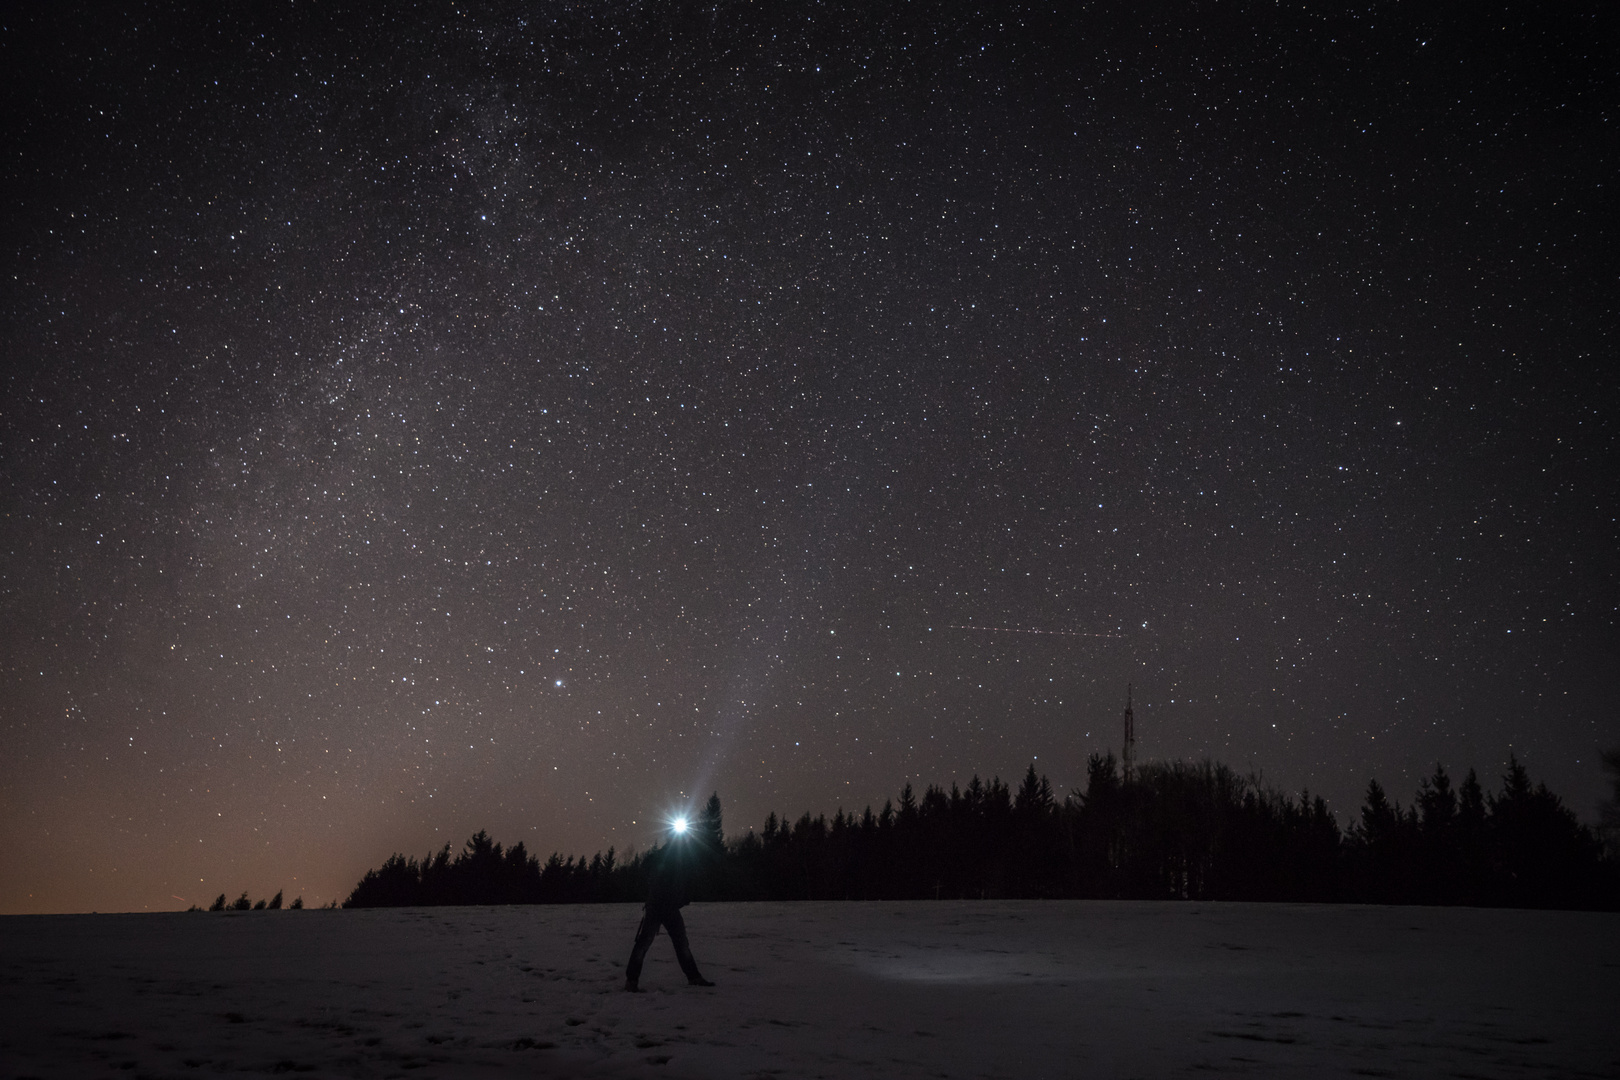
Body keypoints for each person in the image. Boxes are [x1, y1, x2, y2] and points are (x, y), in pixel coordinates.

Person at [624, 822, 715, 991]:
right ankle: (692, 977)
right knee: (663, 943)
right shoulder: (672, 857)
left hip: (662, 906)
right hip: (662, 906)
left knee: (653, 943)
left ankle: (632, 981)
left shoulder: (669, 857)